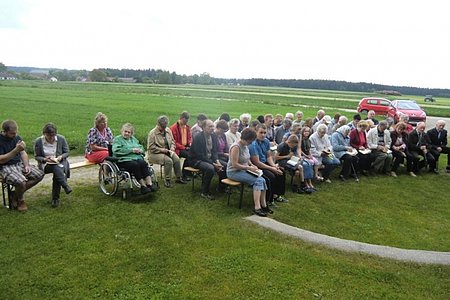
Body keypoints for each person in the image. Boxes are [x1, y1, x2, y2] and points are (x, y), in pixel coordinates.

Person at [0, 120, 44, 211]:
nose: (15, 135)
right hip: (5, 166)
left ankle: (14, 195)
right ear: (4, 131)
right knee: (21, 182)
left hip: (18, 164)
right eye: (12, 133)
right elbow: (1, 160)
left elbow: (23, 153)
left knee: (39, 174)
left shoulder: (17, 137)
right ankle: (20, 200)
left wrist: (27, 165)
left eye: (16, 133)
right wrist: (16, 150)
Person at [227, 128, 271, 217]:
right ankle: (257, 207)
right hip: (233, 172)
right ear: (245, 139)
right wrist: (248, 168)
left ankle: (264, 205)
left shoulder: (245, 146)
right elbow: (234, 164)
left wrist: (252, 165)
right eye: (250, 141)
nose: (250, 143)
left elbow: (247, 159)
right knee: (258, 181)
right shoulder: (236, 147)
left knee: (262, 180)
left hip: (243, 169)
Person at [34, 123, 72, 207]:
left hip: (60, 162)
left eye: (53, 135)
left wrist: (60, 157)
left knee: (56, 171)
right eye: (48, 135)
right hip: (46, 165)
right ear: (44, 134)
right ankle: (65, 185)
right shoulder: (39, 141)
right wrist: (44, 159)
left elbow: (67, 152)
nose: (51, 137)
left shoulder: (61, 139)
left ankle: (55, 199)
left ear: (55, 133)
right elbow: (37, 157)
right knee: (56, 168)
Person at [188, 119, 227, 200]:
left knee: (225, 165)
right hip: (195, 160)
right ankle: (204, 192)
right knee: (210, 168)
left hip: (208, 159)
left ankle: (221, 187)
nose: (212, 128)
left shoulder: (213, 136)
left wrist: (217, 161)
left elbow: (214, 151)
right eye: (210, 126)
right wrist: (214, 164)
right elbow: (200, 155)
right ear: (203, 128)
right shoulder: (198, 137)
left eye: (213, 126)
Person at [249, 124, 287, 205]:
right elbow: (257, 162)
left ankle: (277, 195)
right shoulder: (253, 144)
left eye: (264, 133)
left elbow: (268, 156)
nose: (263, 135)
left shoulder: (266, 141)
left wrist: (273, 165)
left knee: (281, 172)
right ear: (256, 132)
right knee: (271, 177)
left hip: (265, 163)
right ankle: (268, 200)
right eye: (261, 132)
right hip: (257, 166)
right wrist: (271, 168)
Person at [113, 123, 156, 194]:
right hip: (123, 160)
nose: (126, 133)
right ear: (122, 131)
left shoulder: (133, 139)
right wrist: (131, 150)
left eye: (128, 132)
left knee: (143, 163)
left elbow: (141, 147)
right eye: (125, 131)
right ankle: (143, 186)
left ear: (131, 134)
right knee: (135, 165)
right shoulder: (117, 139)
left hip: (136, 158)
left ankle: (149, 184)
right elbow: (116, 151)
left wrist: (140, 151)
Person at [148, 116, 187, 187]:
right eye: (162, 127)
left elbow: (173, 141)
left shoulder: (168, 130)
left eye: (165, 127)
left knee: (176, 159)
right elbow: (151, 147)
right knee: (168, 161)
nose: (163, 129)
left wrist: (172, 148)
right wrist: (162, 150)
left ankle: (179, 177)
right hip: (155, 154)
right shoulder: (152, 133)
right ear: (158, 124)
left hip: (168, 151)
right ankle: (167, 180)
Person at [170, 111, 192, 181]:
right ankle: (184, 174)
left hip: (185, 147)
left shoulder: (187, 127)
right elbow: (174, 141)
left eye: (187, 120)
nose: (186, 122)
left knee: (193, 154)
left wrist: (189, 144)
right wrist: (183, 147)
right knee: (189, 155)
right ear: (181, 118)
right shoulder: (174, 128)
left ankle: (187, 173)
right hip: (178, 149)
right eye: (185, 120)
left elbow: (189, 138)